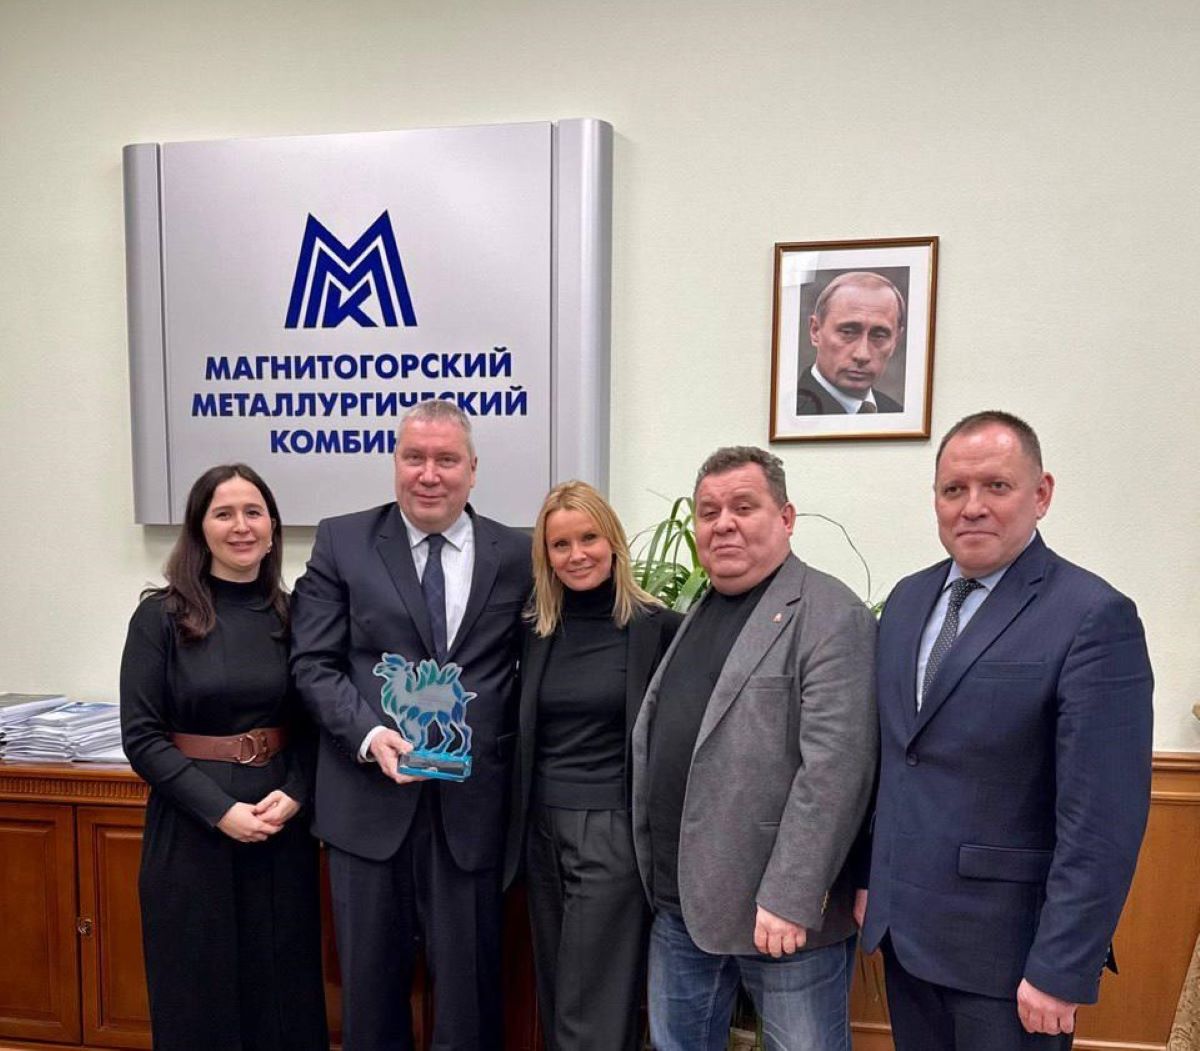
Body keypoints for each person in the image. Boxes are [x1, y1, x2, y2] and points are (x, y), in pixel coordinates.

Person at [860, 411, 1154, 1050]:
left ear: (1041, 494)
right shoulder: (906, 601)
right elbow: (894, 760)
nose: (972, 507)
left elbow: (1103, 819)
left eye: (996, 486)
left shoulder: (1092, 615)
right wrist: (868, 881)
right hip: (905, 939)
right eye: (953, 489)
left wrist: (1061, 967)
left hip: (1010, 961)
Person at [290, 400, 531, 1051]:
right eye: (414, 457)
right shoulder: (343, 541)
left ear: (473, 469)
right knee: (369, 1002)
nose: (429, 474)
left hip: (472, 813)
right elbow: (313, 663)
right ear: (395, 463)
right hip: (366, 807)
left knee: (469, 1002)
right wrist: (369, 736)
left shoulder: (518, 553)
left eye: (446, 459)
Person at [630, 446, 878, 1051]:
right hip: (680, 907)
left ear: (786, 518)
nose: (723, 524)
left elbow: (836, 771)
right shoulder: (700, 609)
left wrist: (791, 897)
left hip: (779, 917)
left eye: (744, 507)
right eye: (709, 511)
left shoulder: (830, 613)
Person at [119, 464, 327, 1051]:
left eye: (253, 512)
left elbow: (316, 723)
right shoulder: (160, 617)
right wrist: (220, 811)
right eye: (224, 513)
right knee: (198, 991)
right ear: (199, 527)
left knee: (282, 994)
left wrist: (297, 794)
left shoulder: (296, 615)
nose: (242, 527)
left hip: (280, 828)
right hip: (193, 831)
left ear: (273, 526)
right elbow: (142, 737)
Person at [503, 481, 682, 1051]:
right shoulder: (533, 629)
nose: (576, 554)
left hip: (611, 829)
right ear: (545, 555)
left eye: (589, 539)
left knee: (593, 1000)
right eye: (560, 544)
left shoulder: (660, 628)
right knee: (559, 989)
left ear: (613, 543)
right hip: (539, 829)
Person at [798, 271, 905, 415]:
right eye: (847, 332)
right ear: (815, 331)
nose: (862, 355)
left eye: (879, 336)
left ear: (895, 340)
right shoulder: (783, 414)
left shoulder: (896, 413)